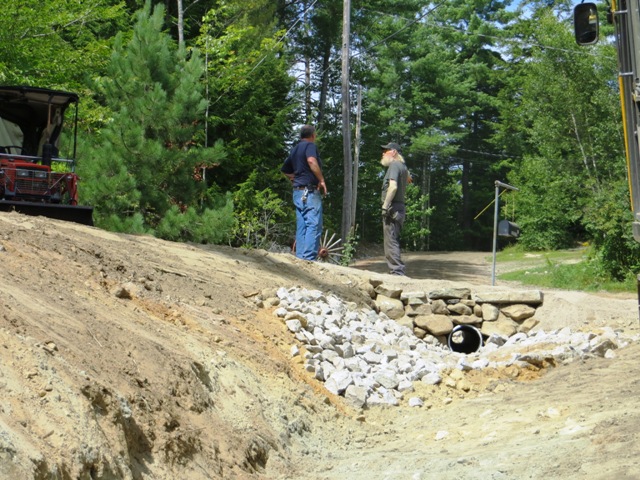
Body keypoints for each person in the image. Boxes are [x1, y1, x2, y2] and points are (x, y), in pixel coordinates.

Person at [281, 125, 327, 260]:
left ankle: (300, 258)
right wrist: (321, 180)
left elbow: (284, 169)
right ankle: (309, 259)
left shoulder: (295, 149)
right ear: (313, 135)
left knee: (302, 226)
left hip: (297, 192)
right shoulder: (310, 146)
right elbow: (311, 160)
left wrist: (294, 177)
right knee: (313, 224)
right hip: (310, 192)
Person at [380, 142, 409, 276]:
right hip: (399, 207)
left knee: (390, 240)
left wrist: (385, 206)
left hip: (393, 207)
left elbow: (393, 187)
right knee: (393, 239)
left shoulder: (394, 165)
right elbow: (409, 179)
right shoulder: (402, 167)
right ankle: (396, 271)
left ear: (394, 152)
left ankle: (397, 272)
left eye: (385, 151)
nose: (383, 153)